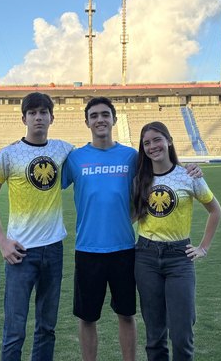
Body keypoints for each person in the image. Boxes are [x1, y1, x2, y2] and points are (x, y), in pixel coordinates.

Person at [62, 97, 202, 361]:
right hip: (87, 249)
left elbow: (163, 167)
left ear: (114, 119)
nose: (100, 119)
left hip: (126, 250)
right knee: (87, 317)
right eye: (94, 115)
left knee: (126, 314)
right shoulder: (75, 159)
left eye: (105, 114)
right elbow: (48, 186)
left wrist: (190, 169)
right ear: (87, 122)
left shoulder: (131, 157)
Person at [0, 92, 73, 361]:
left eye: (43, 112)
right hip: (20, 252)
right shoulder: (9, 154)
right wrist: (2, 241)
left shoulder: (64, 149)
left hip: (53, 250)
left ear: (52, 118)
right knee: (14, 330)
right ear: (24, 118)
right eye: (32, 113)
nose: (38, 117)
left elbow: (93, 158)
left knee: (47, 327)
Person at [131, 121, 221, 361]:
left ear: (169, 141)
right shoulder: (140, 179)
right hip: (146, 258)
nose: (152, 146)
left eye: (157, 140)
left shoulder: (188, 176)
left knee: (182, 334)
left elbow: (215, 210)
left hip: (179, 259)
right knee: (155, 336)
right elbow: (132, 216)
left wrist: (203, 248)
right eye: (147, 143)